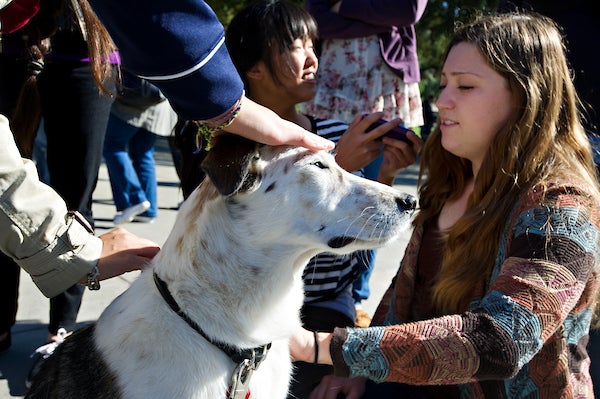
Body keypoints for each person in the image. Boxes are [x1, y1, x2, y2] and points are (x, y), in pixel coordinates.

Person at [290, 12, 600, 399]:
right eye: (443, 84)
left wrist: (317, 346)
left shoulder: (562, 206)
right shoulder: (451, 181)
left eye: (466, 86)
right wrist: (356, 368)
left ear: (525, 96)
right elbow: (403, 299)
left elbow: (501, 340)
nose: (442, 102)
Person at [0, 0, 333, 354]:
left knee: (74, 188)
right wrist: (59, 242)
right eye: (296, 46)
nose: (313, 59)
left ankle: (61, 327)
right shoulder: (202, 137)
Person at [224, 2, 422, 398]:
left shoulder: (335, 132)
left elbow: (348, 266)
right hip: (242, 310)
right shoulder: (225, 149)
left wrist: (383, 178)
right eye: (297, 46)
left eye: (314, 44)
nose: (314, 57)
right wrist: (336, 165)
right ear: (254, 67)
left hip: (325, 306)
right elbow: (233, 251)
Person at [301, 0, 428, 322]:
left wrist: (345, 6)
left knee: (376, 193)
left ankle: (355, 296)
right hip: (335, 82)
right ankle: (311, 287)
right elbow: (318, 18)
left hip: (384, 83)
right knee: (324, 182)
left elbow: (408, 11)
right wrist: (379, 16)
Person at [103, 70, 178, 225]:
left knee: (112, 147)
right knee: (144, 153)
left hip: (132, 101)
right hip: (159, 101)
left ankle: (135, 199)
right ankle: (148, 211)